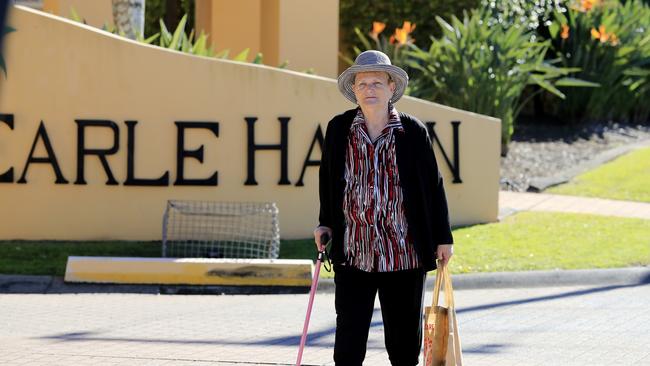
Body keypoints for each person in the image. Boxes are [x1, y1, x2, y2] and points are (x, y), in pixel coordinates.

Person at [314, 50, 454, 366]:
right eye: (362, 83)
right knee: (348, 346)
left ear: (391, 87)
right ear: (355, 90)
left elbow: (433, 186)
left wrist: (443, 237)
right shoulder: (339, 129)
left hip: (403, 254)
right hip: (354, 254)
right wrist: (325, 223)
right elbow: (329, 181)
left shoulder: (412, 131)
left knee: (404, 346)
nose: (369, 89)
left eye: (377, 82)